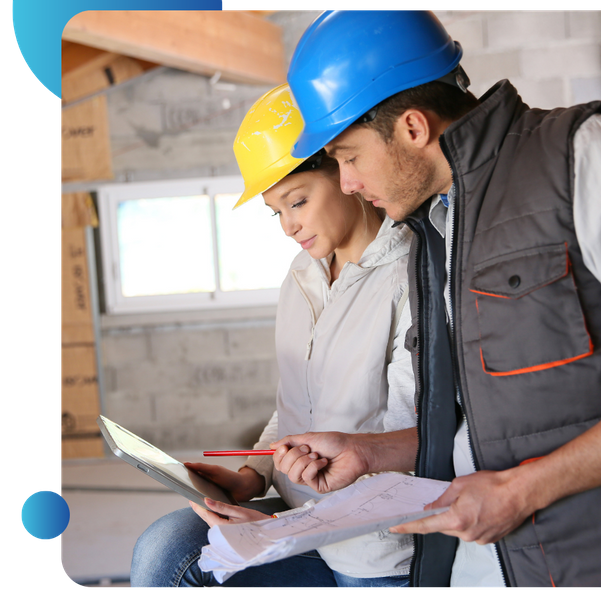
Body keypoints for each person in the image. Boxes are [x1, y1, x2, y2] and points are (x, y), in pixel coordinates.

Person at [268, 9, 601, 589]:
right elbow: (482, 421)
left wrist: (521, 491)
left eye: (349, 157)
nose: (347, 184)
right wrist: (372, 452)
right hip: (486, 567)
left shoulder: (587, 154)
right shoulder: (434, 232)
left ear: (412, 128)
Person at [129, 83, 417, 589]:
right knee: (166, 547)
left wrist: (286, 531)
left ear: (345, 171)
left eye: (297, 201)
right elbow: (294, 406)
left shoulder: (408, 278)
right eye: (276, 212)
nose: (288, 226)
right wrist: (251, 476)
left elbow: (411, 450)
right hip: (292, 510)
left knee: (177, 559)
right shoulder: (302, 276)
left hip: (369, 547)